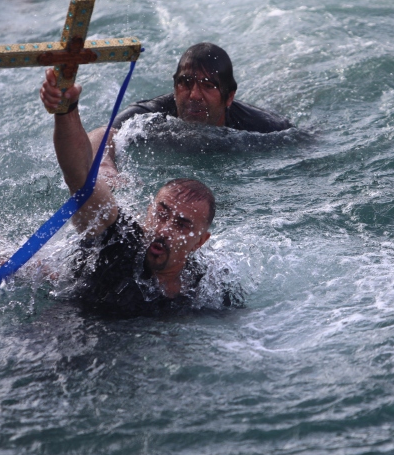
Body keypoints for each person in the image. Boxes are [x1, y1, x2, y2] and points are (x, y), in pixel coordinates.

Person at [40, 68, 243, 317]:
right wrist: (66, 110)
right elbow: (80, 176)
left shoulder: (207, 286)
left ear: (199, 242)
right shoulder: (118, 241)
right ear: (148, 211)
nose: (164, 229)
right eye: (161, 213)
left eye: (181, 224)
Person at [113, 42, 291, 133]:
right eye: (186, 83)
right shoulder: (150, 115)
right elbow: (105, 134)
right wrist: (105, 162)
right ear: (175, 87)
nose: (194, 95)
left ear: (229, 97)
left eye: (208, 86)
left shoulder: (264, 128)